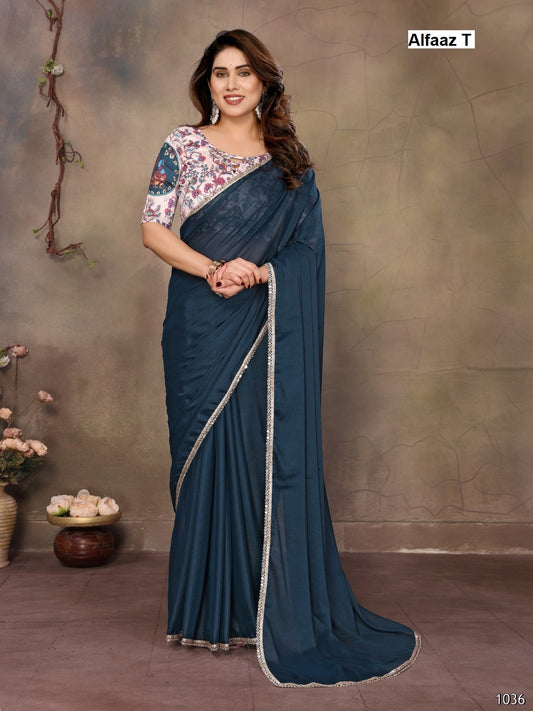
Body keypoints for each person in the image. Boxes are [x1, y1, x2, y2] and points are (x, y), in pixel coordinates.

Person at [141, 29, 420, 687]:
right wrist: (214, 268)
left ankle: (255, 608)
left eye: (243, 72)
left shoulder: (289, 164)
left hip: (263, 321)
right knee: (203, 455)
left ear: (265, 81)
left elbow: (307, 252)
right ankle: (205, 611)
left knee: (256, 454)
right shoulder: (181, 146)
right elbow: (152, 228)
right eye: (220, 73)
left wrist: (263, 272)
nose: (232, 84)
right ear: (206, 83)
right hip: (200, 323)